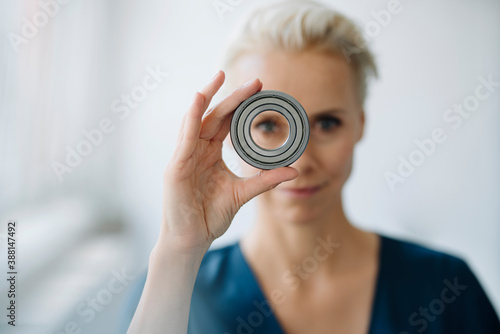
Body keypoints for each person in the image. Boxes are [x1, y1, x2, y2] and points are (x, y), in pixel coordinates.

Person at [122, 1, 500, 333]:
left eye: (327, 123)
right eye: (268, 125)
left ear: (360, 124)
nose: (300, 161)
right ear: (232, 131)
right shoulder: (173, 285)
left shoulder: (446, 288)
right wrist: (180, 248)